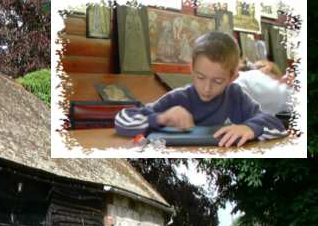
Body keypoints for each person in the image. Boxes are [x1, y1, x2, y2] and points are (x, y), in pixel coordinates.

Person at [115, 31, 288, 147]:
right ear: (191, 69)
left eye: (218, 81)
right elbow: (121, 121)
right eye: (200, 77)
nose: (206, 88)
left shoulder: (236, 96)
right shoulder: (178, 98)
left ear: (232, 78)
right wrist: (161, 118)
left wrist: (250, 128)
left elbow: (277, 127)